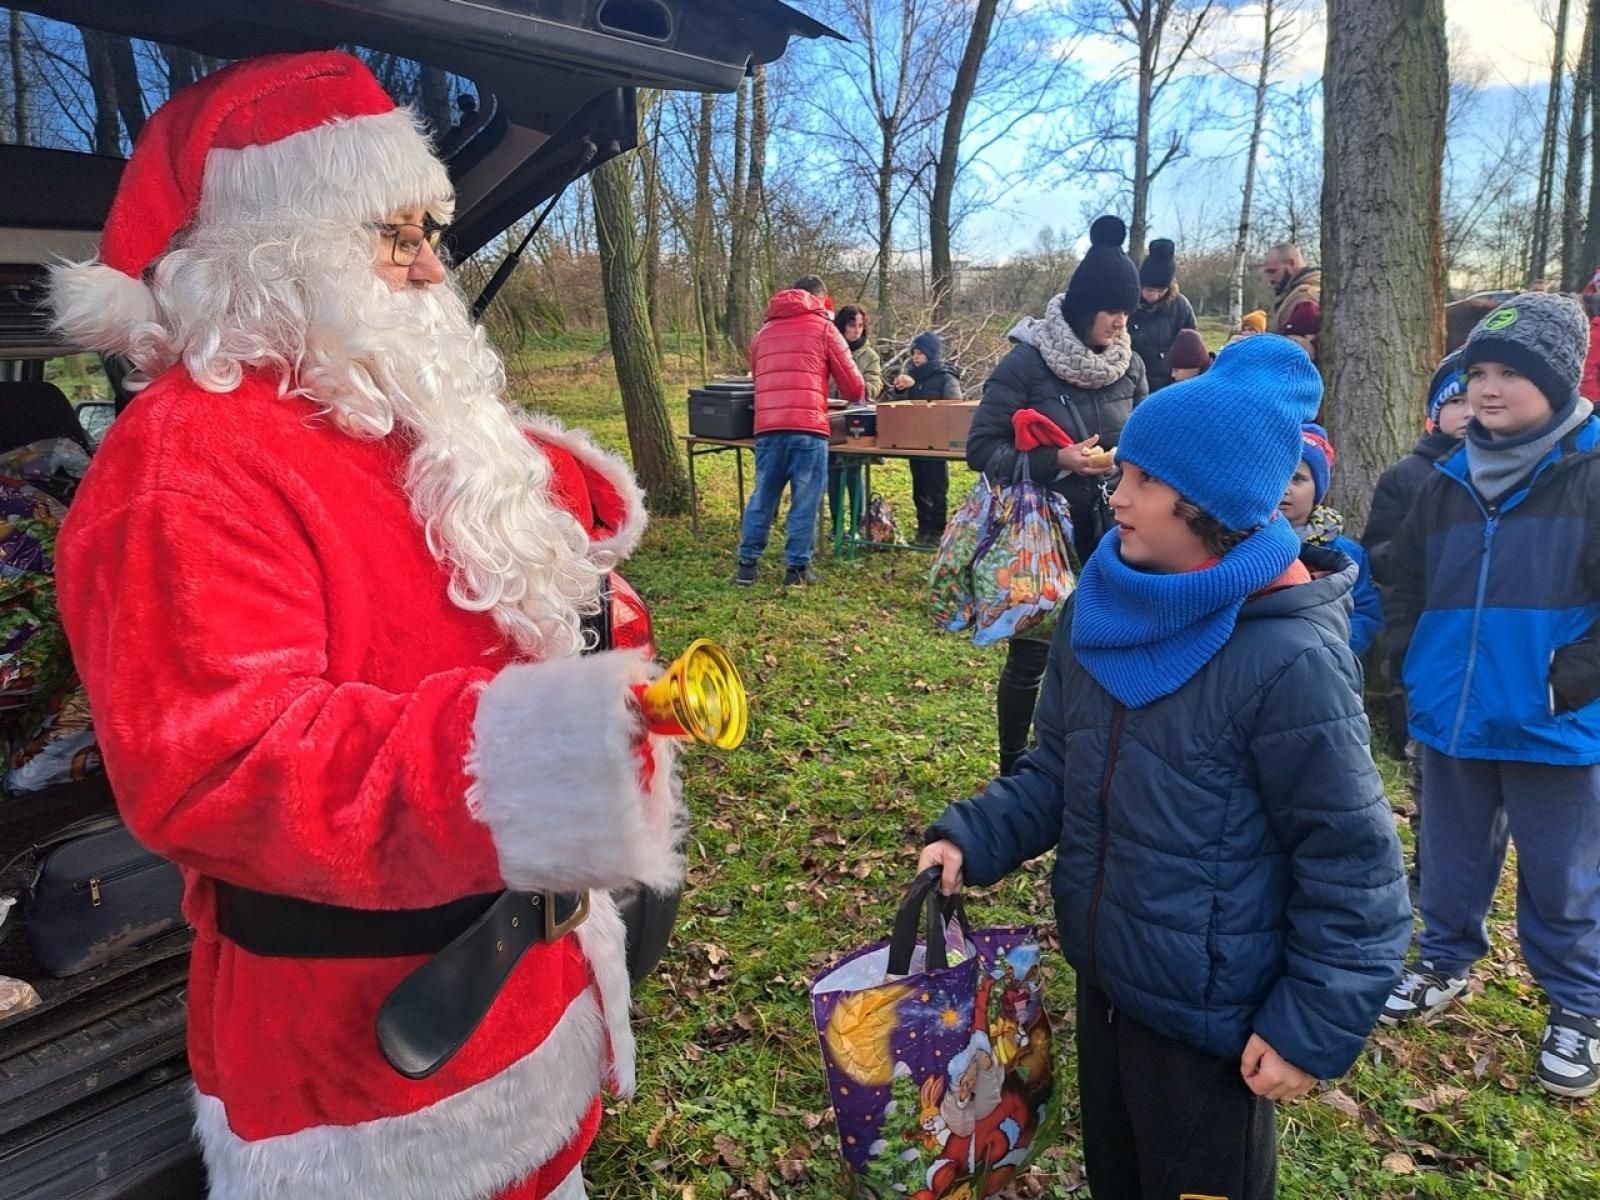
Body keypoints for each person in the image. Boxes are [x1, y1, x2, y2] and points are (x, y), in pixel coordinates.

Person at [47, 52, 682, 1200]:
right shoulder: (181, 465)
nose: (434, 264)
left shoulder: (394, 409)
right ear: (280, 250)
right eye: (397, 234)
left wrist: (597, 636)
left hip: (529, 1002)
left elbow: (545, 584)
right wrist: (535, 747)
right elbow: (226, 767)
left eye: (426, 227)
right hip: (363, 1077)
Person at [919, 335, 1410, 1198]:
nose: (1118, 496)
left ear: (1214, 510)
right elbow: (1058, 768)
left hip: (1211, 1021)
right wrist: (974, 836)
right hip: (1109, 977)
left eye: (1146, 481)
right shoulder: (1100, 606)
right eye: (1124, 472)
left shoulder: (1287, 658)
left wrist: (1309, 1026)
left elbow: (1354, 866)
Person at [1381, 292, 1600, 1101]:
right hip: (1451, 713)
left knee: (1562, 869)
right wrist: (1410, 662)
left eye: (1511, 373)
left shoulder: (1590, 477)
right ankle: (1443, 959)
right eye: (1478, 373)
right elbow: (1401, 581)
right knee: (1450, 851)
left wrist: (1569, 678)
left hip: (1553, 721)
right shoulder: (1443, 482)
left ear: (1560, 383)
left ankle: (1579, 1005)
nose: (1490, 389)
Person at [966, 214, 1147, 776]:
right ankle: (1013, 765)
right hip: (1042, 534)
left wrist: (1125, 460)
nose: (1120, 322)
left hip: (1118, 530)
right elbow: (981, 449)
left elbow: (1146, 435)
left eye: (1127, 312)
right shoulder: (1027, 362)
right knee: (1032, 656)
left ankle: (1092, 755)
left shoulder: (1131, 365)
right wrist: (1056, 460)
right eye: (1111, 310)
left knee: (1108, 650)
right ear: (1082, 307)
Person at [1363, 352, 1472, 894]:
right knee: (1427, 764)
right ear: (1434, 412)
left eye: (1474, 399)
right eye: (1455, 401)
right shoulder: (1407, 476)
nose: (1468, 411)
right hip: (1425, 634)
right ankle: (1430, 867)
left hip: (1485, 644)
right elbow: (1379, 551)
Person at [736, 274, 865, 587]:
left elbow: (759, 380)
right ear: (819, 299)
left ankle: (747, 566)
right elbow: (854, 386)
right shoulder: (824, 328)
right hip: (808, 429)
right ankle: (796, 570)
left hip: (767, 428)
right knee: (805, 500)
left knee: (762, 496)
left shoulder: (762, 334)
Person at [1277, 423, 1382, 656]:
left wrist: (1339, 650)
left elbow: (1366, 610)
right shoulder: (1243, 542)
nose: (1285, 488)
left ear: (1318, 488)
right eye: (1277, 475)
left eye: (1297, 478)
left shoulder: (1346, 554)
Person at [889, 330, 962, 546]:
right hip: (915, 440)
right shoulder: (912, 374)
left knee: (937, 487)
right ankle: (923, 530)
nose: (915, 357)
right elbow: (899, 406)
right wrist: (900, 390)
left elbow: (953, 408)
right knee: (919, 486)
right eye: (914, 352)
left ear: (931, 354)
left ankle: (937, 530)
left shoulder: (946, 377)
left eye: (920, 353)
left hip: (937, 442)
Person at [828, 304, 882, 537]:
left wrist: (854, 384)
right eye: (851, 326)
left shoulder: (869, 355)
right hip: (831, 417)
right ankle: (836, 525)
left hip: (858, 420)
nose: (856, 331)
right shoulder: (828, 347)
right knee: (833, 472)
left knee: (854, 472)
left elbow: (875, 385)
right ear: (842, 327)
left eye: (860, 326)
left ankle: (857, 525)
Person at [1126, 237, 1197, 391]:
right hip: (1128, 384)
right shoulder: (1127, 303)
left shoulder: (1181, 308)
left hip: (1166, 388)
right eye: (1149, 290)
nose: (1154, 296)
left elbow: (1190, 353)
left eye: (1160, 291)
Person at [1261, 242, 1321, 334]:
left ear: (1292, 263)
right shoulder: (1293, 294)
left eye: (1273, 271)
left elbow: (1302, 345)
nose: (1270, 279)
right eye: (1267, 273)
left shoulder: (1305, 297)